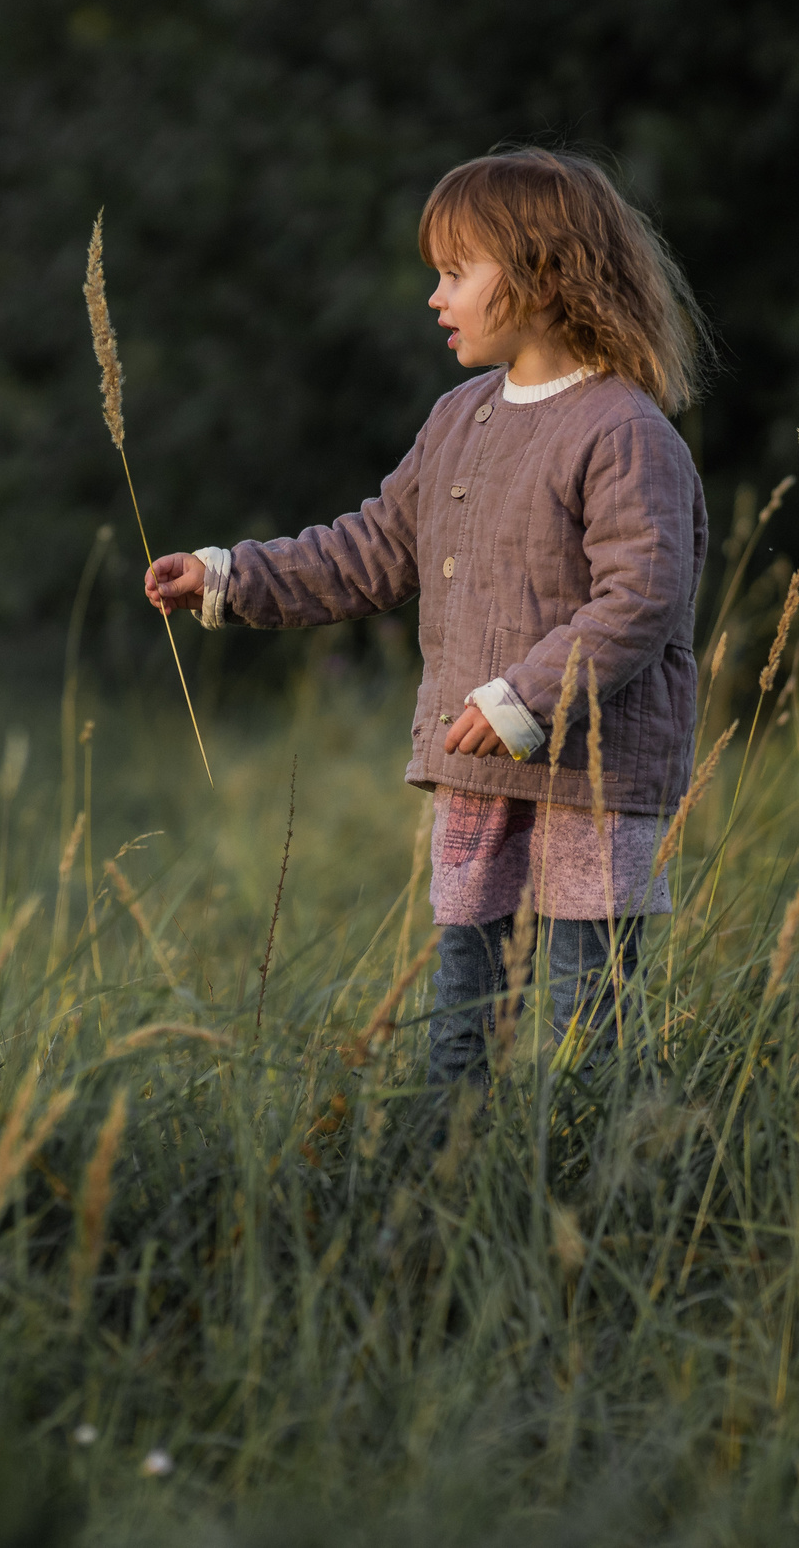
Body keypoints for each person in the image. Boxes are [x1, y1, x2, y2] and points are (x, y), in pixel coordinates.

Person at [144, 147, 708, 1095]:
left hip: (593, 778)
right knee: (462, 1019)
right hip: (479, 773)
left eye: (456, 272)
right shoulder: (457, 417)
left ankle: (595, 1168)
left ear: (541, 275)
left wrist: (524, 698)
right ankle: (447, 1160)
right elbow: (369, 549)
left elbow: (640, 596)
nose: (436, 297)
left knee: (587, 1026)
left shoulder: (623, 429)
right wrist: (230, 577)